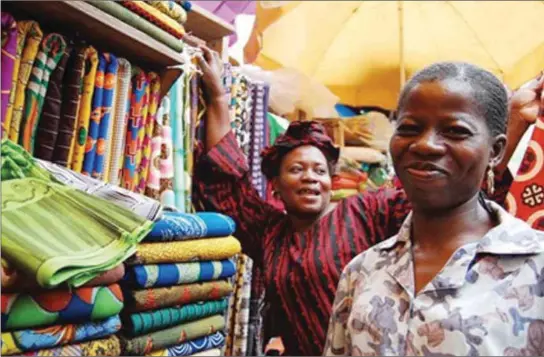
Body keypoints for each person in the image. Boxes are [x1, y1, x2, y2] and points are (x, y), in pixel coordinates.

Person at [194, 46, 542, 356]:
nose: (310, 178)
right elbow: (230, 186)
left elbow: (446, 190)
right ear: (276, 186)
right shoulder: (280, 239)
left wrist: (511, 126)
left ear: (332, 181)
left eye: (319, 170)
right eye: (296, 169)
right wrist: (218, 99)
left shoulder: (363, 213)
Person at [323, 62, 544, 356]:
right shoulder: (363, 271)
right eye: (409, 129)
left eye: (455, 131)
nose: (426, 145)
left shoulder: (536, 267)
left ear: (496, 151)